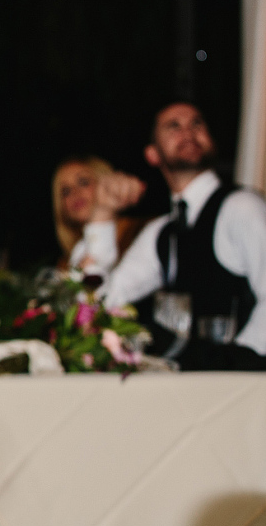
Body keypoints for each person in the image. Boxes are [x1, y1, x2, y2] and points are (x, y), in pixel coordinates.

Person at [102, 102, 266, 370]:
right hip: (196, 388)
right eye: (173, 126)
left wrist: (239, 366)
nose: (188, 132)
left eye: (197, 123)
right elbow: (107, 300)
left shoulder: (242, 207)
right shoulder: (162, 231)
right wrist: (102, 215)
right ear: (152, 155)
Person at [51, 156, 145, 274]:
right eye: (66, 191)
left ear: (104, 183)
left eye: (83, 182)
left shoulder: (140, 233)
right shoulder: (65, 264)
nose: (75, 192)